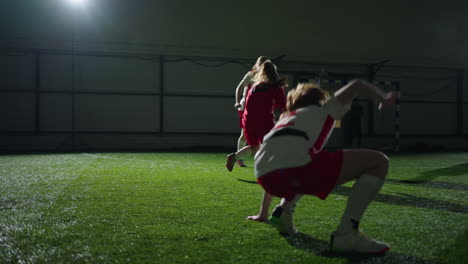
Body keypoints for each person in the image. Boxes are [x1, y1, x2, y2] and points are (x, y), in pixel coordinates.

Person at [247, 80, 398, 254]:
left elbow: (275, 166)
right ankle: (346, 233)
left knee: (303, 160)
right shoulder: (323, 109)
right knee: (378, 161)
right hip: (293, 170)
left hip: (264, 175)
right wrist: (383, 97)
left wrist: (263, 213)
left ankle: (283, 213)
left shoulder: (286, 119)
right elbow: (356, 85)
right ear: (319, 99)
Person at [226, 60, 287, 172]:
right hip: (264, 121)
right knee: (272, 144)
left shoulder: (255, 86)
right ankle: (272, 169)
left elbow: (250, 105)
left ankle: (234, 157)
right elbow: (283, 107)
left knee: (255, 148)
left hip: (248, 120)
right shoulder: (276, 87)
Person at [233, 56, 269, 167]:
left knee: (260, 134)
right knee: (244, 135)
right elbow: (239, 87)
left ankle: (257, 157)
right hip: (245, 108)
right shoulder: (251, 74)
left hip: (258, 109)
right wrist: (237, 101)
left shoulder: (267, 77)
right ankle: (239, 158)